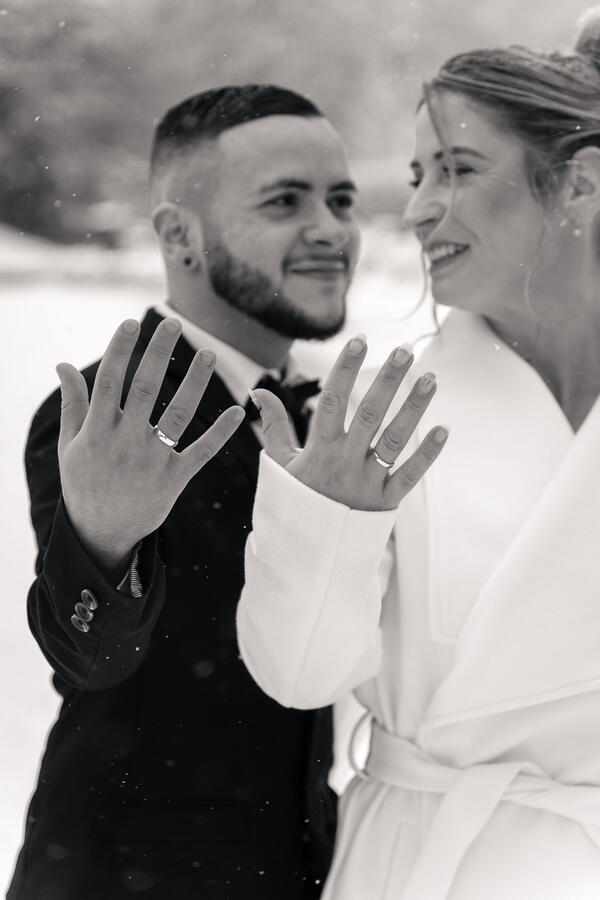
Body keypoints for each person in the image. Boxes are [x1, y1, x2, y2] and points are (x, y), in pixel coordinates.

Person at [237, 15, 600, 899]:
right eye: (417, 175)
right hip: (419, 863)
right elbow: (299, 677)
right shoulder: (382, 407)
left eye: (458, 169)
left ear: (581, 183)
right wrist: (321, 529)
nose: (417, 209)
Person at [8, 84, 362, 900]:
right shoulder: (106, 417)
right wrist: (102, 545)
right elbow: (92, 656)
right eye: (285, 201)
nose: (331, 230)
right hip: (128, 877)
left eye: (341, 200)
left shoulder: (330, 412)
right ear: (179, 235)